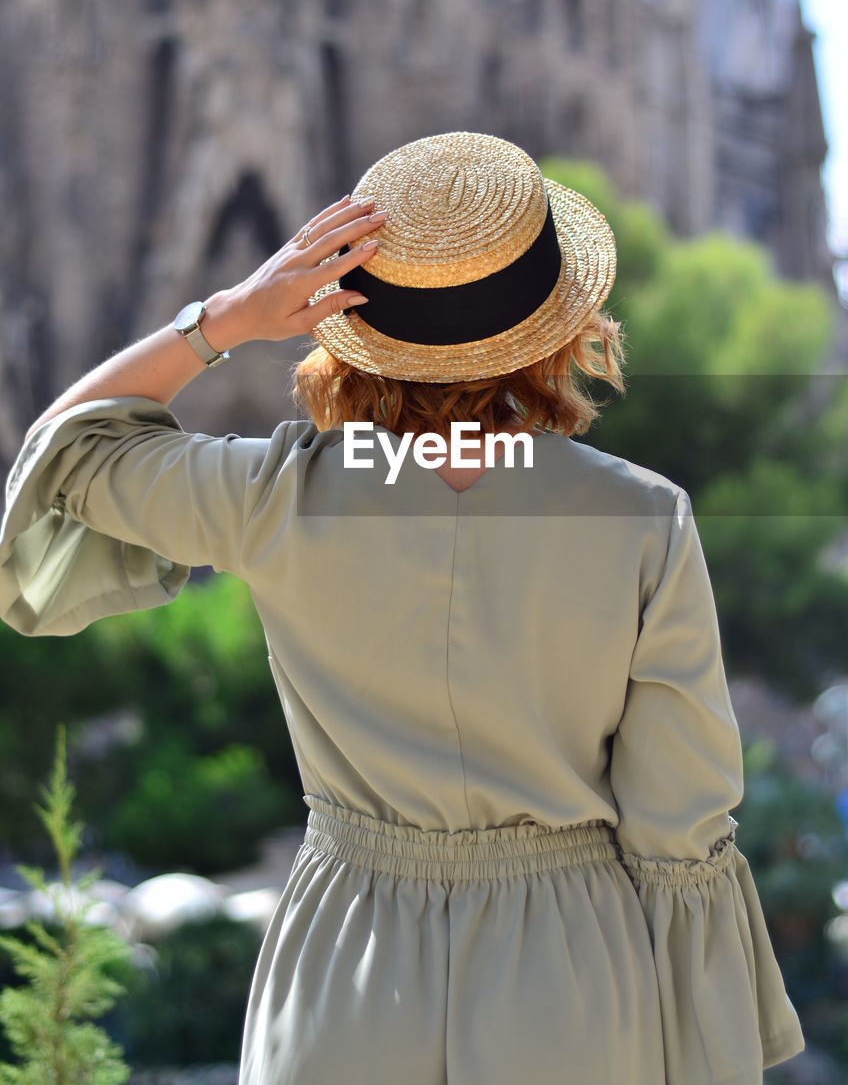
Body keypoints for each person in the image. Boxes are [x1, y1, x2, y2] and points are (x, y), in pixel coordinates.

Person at [0, 131, 805, 1083]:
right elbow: (682, 831)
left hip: (346, 967)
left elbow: (65, 454)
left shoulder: (276, 495)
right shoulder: (639, 517)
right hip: (575, 974)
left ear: (352, 325)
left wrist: (222, 320)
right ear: (556, 326)